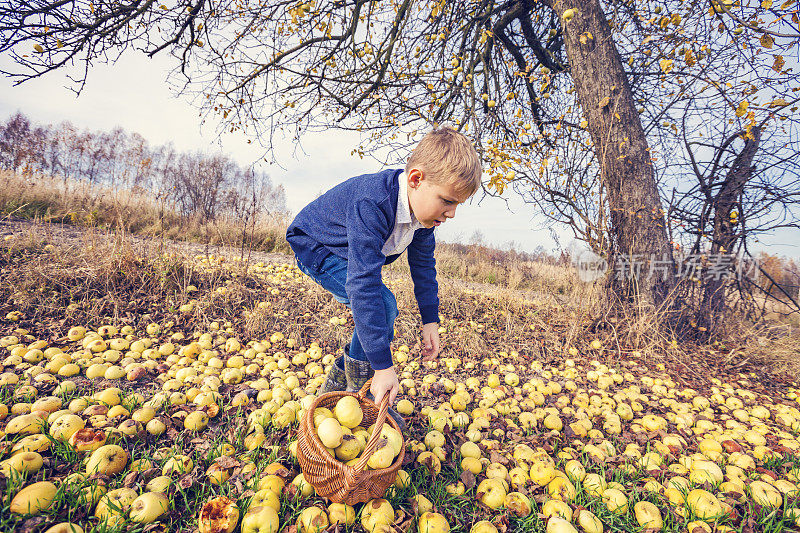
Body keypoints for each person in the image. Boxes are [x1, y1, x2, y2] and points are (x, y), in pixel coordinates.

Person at [285, 126, 482, 429]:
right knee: (383, 305)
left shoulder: (422, 220)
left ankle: (337, 392)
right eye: (447, 201)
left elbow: (424, 267)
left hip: (346, 254)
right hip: (315, 246)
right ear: (416, 179)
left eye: (457, 205)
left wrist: (431, 319)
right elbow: (363, 282)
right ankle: (363, 398)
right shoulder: (373, 203)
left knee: (381, 305)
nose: (452, 213)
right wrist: (383, 366)